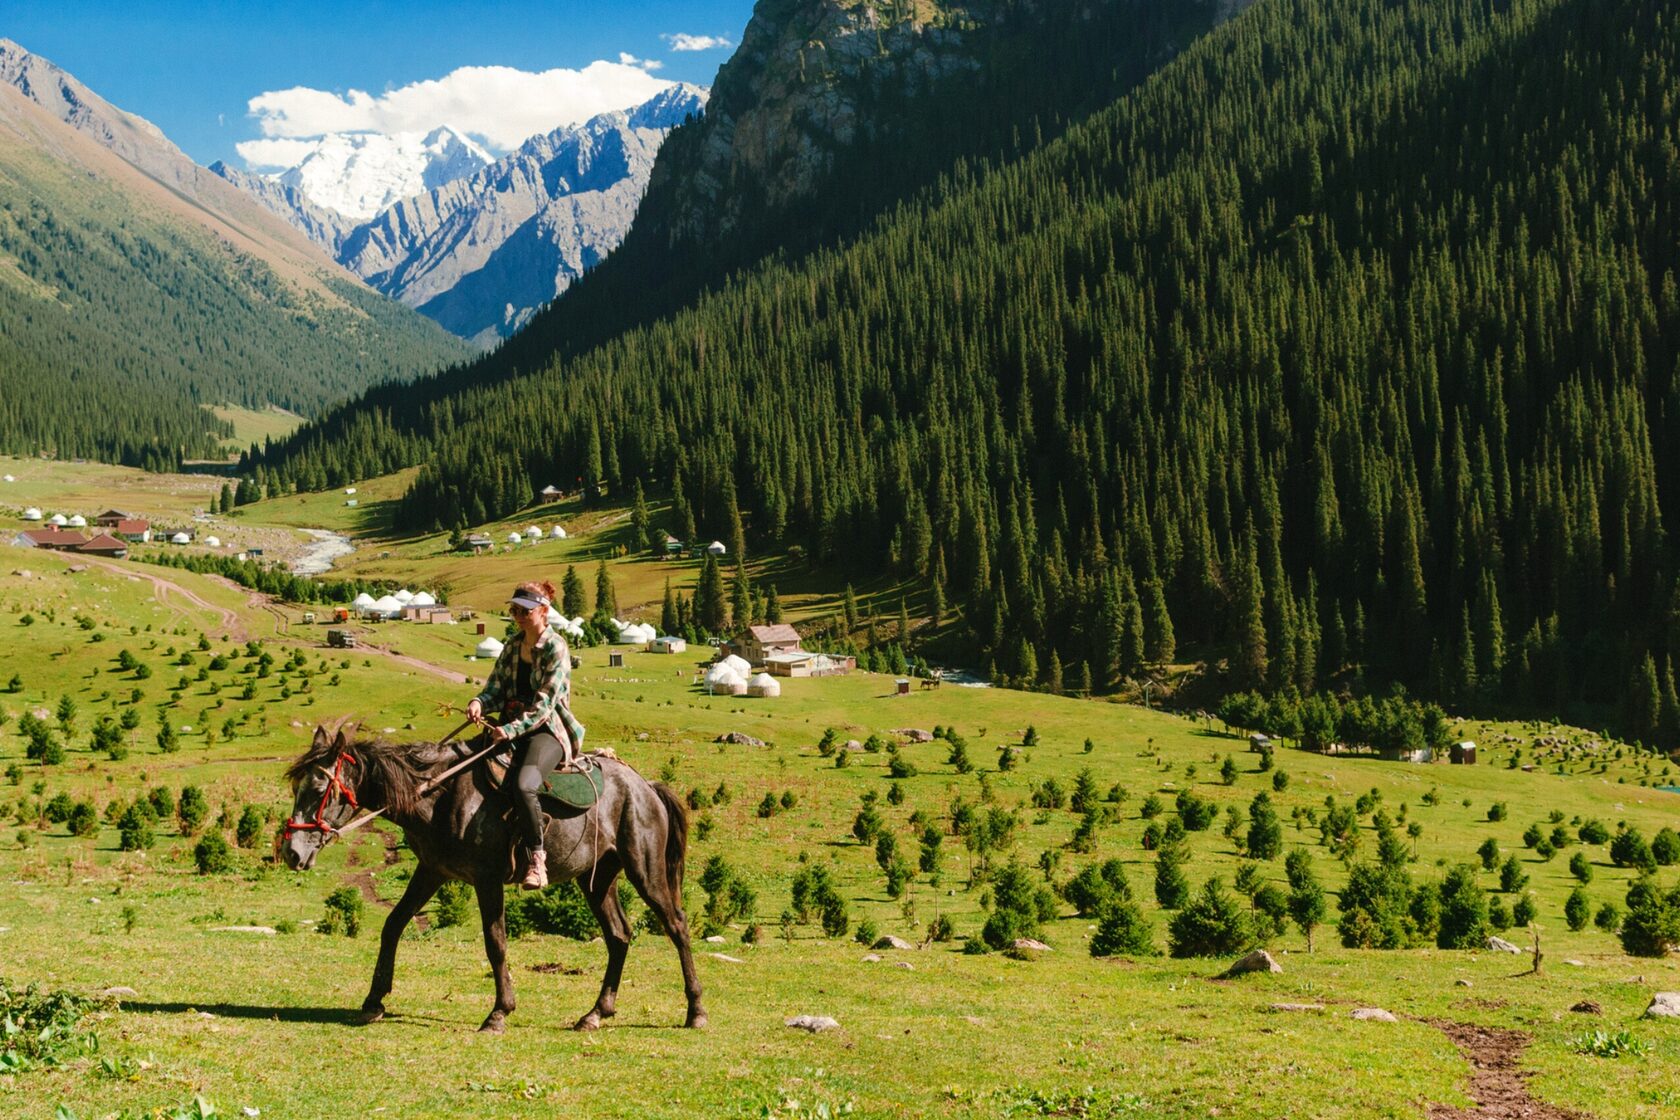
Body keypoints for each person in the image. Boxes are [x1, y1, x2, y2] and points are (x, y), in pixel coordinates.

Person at [466, 581, 585, 889]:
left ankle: (537, 859)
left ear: (543, 611)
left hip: (546, 731)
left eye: (524, 611)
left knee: (523, 784)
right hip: (509, 729)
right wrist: (479, 702)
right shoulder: (511, 645)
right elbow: (495, 689)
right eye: (513, 610)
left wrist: (509, 729)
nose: (517, 616)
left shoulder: (556, 647)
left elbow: (544, 705)